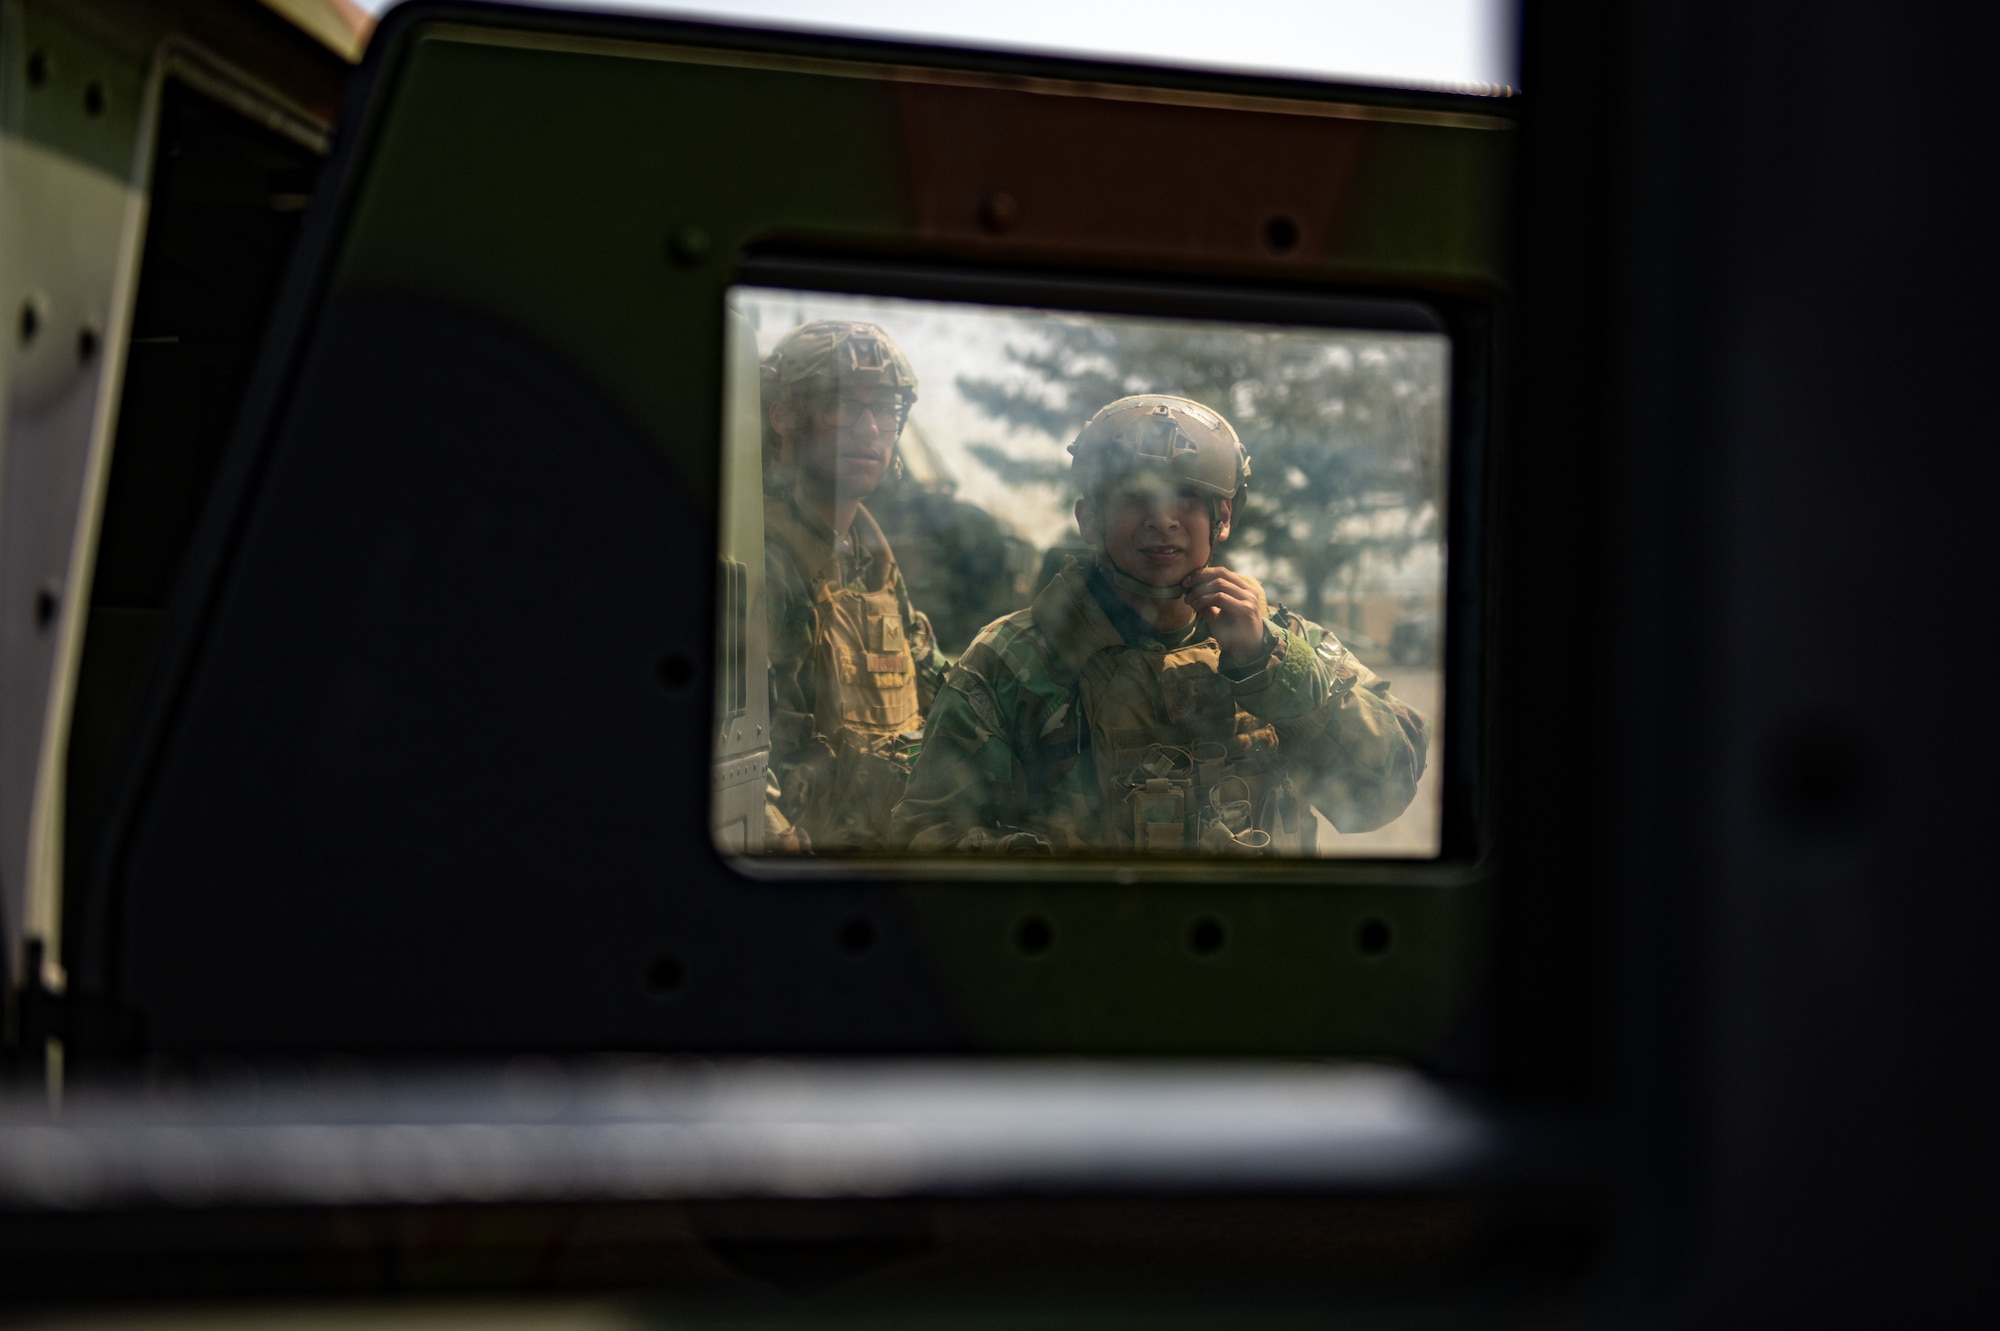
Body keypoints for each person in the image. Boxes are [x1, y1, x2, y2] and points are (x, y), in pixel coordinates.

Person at [889, 394, 1429, 855]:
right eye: (1134, 497)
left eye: (1186, 498)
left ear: (1223, 519)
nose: (1162, 520)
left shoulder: (1285, 646)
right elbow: (925, 834)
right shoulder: (1015, 658)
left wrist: (1271, 663)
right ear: (1089, 519)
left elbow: (1381, 795)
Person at [760, 320, 947, 852]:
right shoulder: (763, 561)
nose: (869, 429)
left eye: (885, 411)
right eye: (844, 406)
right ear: (785, 416)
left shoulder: (872, 563)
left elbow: (944, 693)